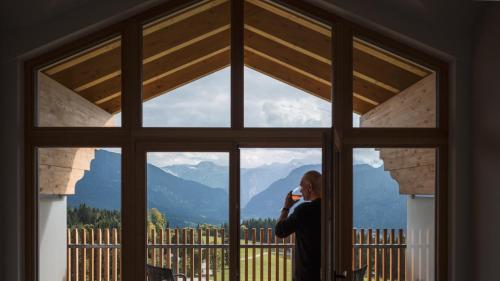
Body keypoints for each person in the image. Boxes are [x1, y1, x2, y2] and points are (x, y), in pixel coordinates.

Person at [275, 170, 322, 281]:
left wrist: (286, 207)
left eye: (302, 186)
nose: (300, 190)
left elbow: (280, 231)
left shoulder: (304, 210)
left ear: (309, 187)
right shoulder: (331, 208)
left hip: (306, 275)